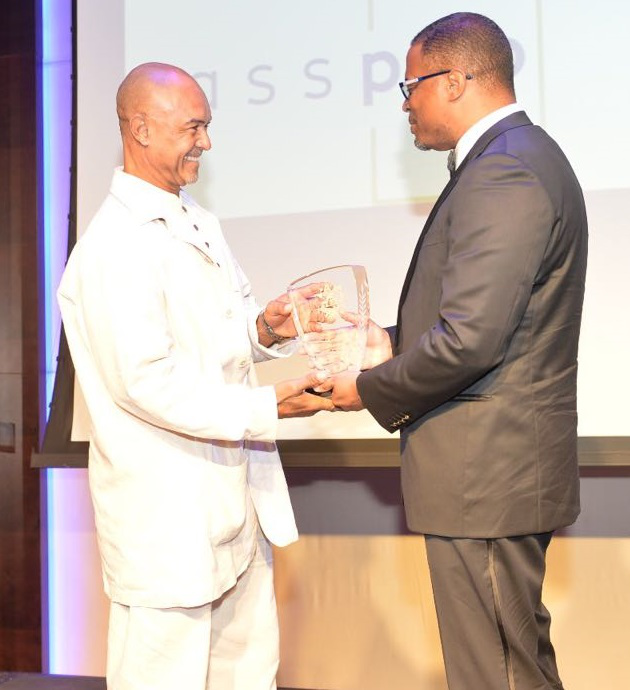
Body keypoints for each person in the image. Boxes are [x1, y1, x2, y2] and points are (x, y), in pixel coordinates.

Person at [329, 12, 587, 690]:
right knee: (515, 668)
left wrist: (369, 386)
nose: (406, 102)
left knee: (494, 675)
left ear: (458, 79)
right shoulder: (511, 162)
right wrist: (386, 339)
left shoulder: (508, 171)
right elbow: (490, 319)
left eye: (411, 83)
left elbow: (471, 338)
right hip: (490, 478)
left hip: (486, 481)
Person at [58, 62, 333, 690]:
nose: (206, 142)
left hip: (234, 510)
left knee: (247, 675)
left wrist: (264, 328)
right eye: (194, 127)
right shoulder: (111, 248)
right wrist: (267, 409)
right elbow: (146, 380)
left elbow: (216, 333)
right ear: (141, 129)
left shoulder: (197, 222)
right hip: (167, 520)